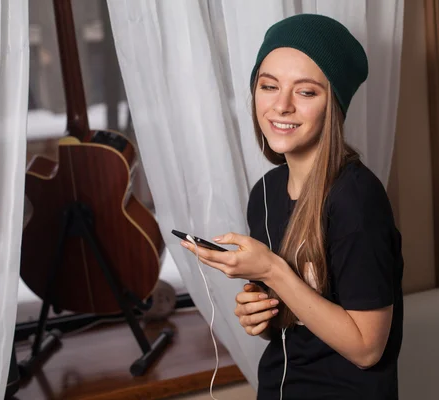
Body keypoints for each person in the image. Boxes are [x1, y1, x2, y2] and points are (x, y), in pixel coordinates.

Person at [180, 14, 403, 400]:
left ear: (333, 103)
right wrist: (260, 315)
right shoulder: (264, 194)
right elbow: (293, 321)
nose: (281, 106)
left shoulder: (356, 200)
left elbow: (368, 349)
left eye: (305, 92)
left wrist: (272, 269)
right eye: (269, 86)